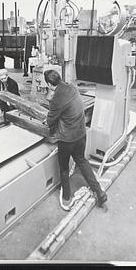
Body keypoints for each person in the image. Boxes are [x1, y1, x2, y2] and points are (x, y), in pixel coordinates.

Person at [44, 69, 107, 208]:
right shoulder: (72, 87)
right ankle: (99, 192)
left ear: (49, 84)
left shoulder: (56, 99)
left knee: (64, 168)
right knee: (82, 161)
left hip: (67, 140)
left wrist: (48, 119)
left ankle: (67, 198)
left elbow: (50, 121)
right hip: (81, 134)